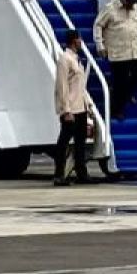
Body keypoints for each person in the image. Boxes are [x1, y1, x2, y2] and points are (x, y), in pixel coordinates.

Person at [53, 29, 92, 187]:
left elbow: (80, 86)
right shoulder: (65, 59)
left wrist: (87, 103)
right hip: (70, 109)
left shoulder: (77, 59)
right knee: (63, 142)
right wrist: (65, 109)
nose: (81, 41)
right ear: (73, 41)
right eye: (79, 39)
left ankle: (82, 172)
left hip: (80, 107)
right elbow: (62, 85)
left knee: (80, 143)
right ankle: (59, 174)